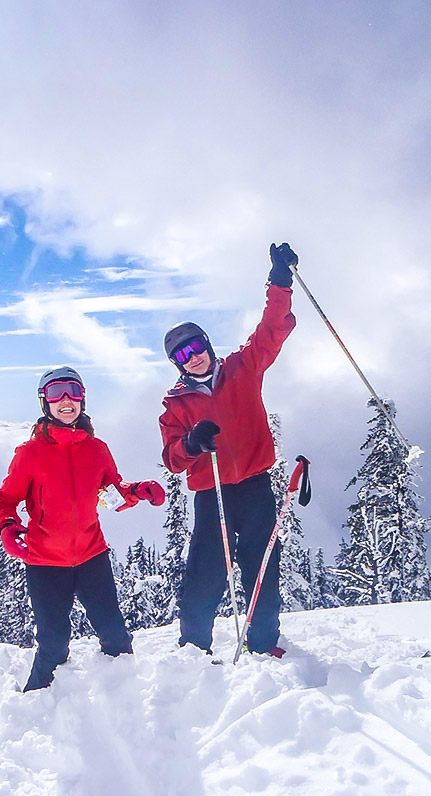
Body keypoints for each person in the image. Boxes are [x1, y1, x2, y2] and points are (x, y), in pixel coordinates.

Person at [159, 242, 298, 657]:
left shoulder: (243, 367)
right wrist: (191, 442)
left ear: (207, 345)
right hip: (212, 493)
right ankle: (193, 648)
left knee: (263, 566)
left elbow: (271, 331)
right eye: (183, 355)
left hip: (255, 486)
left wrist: (279, 281)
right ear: (177, 364)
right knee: (207, 572)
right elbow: (171, 458)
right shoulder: (176, 406)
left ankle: (262, 644)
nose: (194, 357)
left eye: (196, 347)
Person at [0, 366, 166, 691]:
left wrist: (138, 491)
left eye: (73, 391)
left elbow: (112, 491)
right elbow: (4, 500)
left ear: (82, 398)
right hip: (45, 563)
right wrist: (8, 529)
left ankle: (123, 696)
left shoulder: (96, 449)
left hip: (91, 557)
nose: (66, 400)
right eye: (57, 393)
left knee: (115, 634)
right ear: (45, 402)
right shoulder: (30, 454)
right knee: (54, 645)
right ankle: (34, 704)